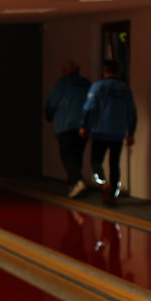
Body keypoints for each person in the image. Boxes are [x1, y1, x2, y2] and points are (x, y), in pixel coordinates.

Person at [79, 60, 137, 204]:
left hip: (100, 131)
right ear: (118, 72)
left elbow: (88, 107)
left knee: (96, 161)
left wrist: (84, 126)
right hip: (118, 132)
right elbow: (131, 112)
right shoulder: (125, 89)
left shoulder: (98, 86)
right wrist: (130, 133)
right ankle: (112, 194)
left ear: (104, 71)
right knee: (114, 163)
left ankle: (103, 182)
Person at [45, 60, 91, 198]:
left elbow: (53, 100)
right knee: (77, 155)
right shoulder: (87, 83)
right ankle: (72, 184)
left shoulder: (64, 82)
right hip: (83, 125)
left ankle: (77, 181)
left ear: (66, 70)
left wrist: (49, 114)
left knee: (67, 155)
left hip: (66, 124)